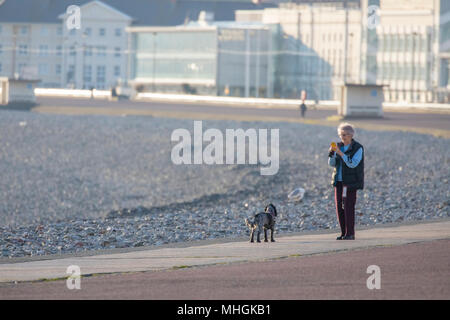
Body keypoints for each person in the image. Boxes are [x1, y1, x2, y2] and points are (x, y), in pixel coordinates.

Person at [328, 123, 364, 240]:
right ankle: (343, 233)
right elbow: (331, 164)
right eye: (341, 134)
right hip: (338, 182)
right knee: (339, 207)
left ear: (352, 135)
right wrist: (332, 154)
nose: (343, 137)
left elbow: (352, 164)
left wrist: (340, 154)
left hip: (350, 182)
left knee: (348, 206)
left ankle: (350, 233)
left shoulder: (358, 148)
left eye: (346, 134)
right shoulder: (338, 146)